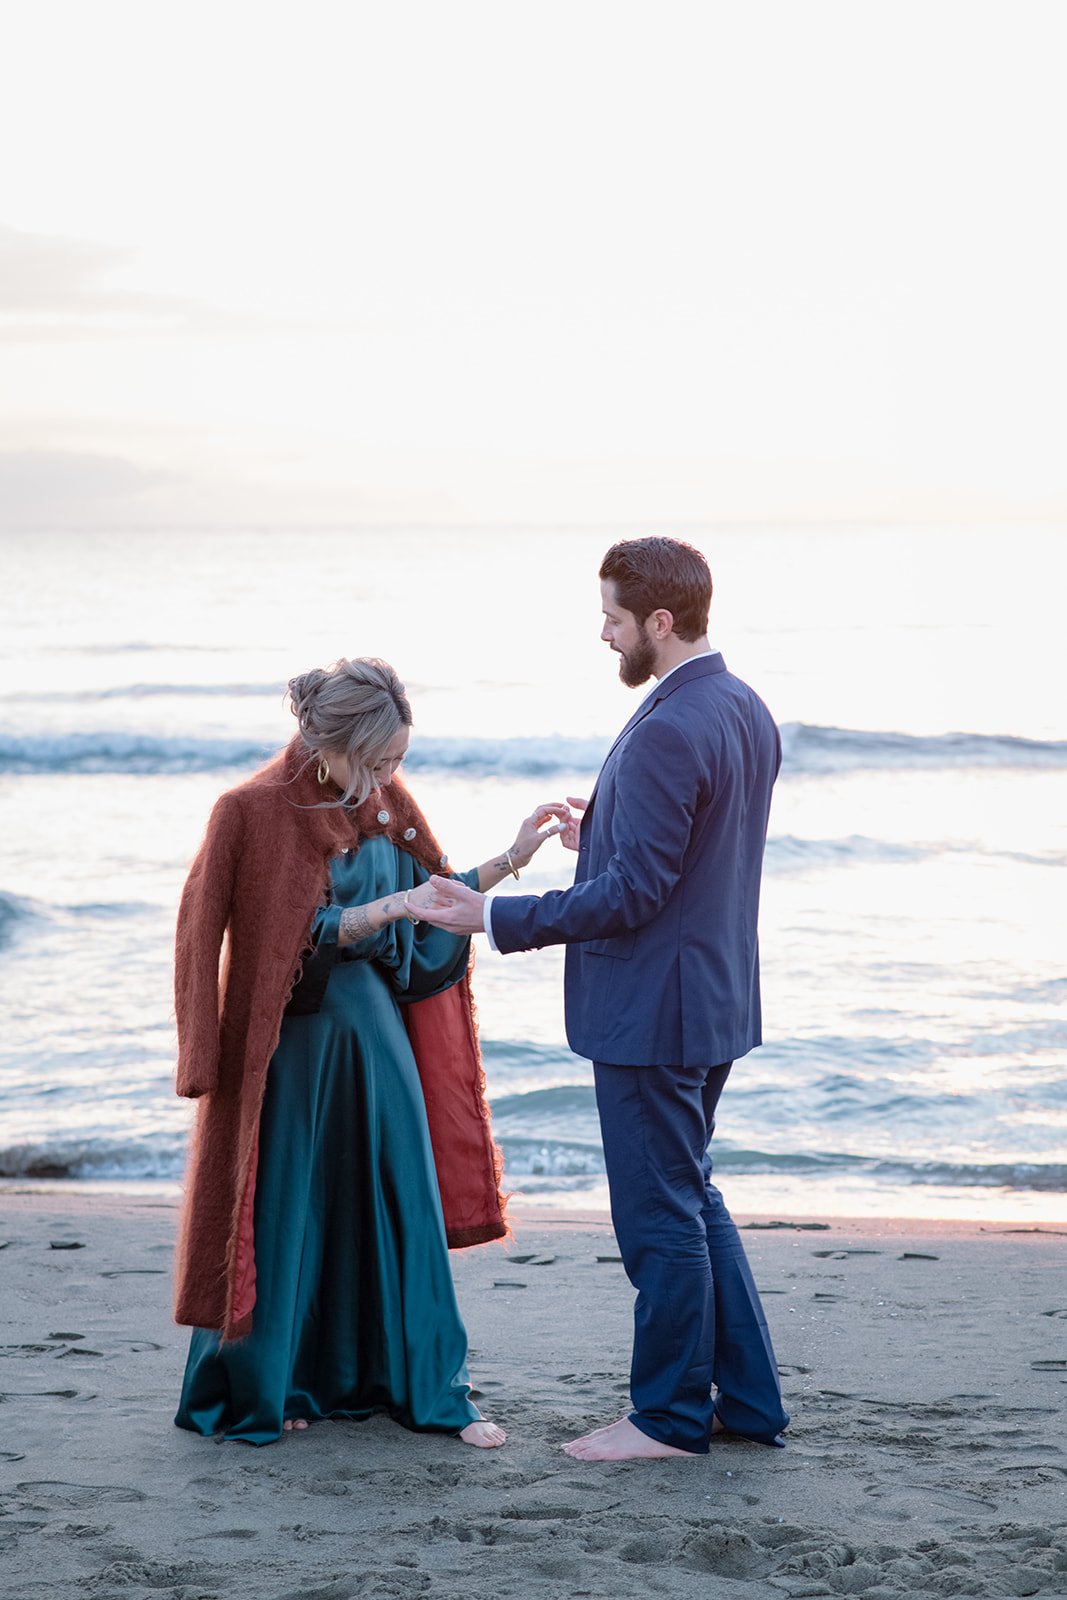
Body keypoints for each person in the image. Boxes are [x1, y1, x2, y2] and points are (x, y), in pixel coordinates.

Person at [419, 537, 790, 1461]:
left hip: (653, 1012)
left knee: (660, 1215)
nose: (603, 634)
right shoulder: (741, 705)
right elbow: (694, 851)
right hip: (709, 999)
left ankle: (665, 1419)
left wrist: (494, 915)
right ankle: (743, 1403)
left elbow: (638, 896)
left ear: (660, 623)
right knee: (691, 1197)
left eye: (614, 619)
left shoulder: (669, 724)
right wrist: (608, 830)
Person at [172, 656, 567, 1447]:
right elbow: (227, 939)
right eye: (380, 759)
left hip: (377, 1039)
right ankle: (274, 1384)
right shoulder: (248, 811)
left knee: (399, 1204)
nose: (390, 774)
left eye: (399, 760)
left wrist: (514, 858)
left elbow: (437, 900)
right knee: (287, 1213)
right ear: (334, 745)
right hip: (293, 1050)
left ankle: (426, 1389)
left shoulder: (387, 803)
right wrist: (200, 1057)